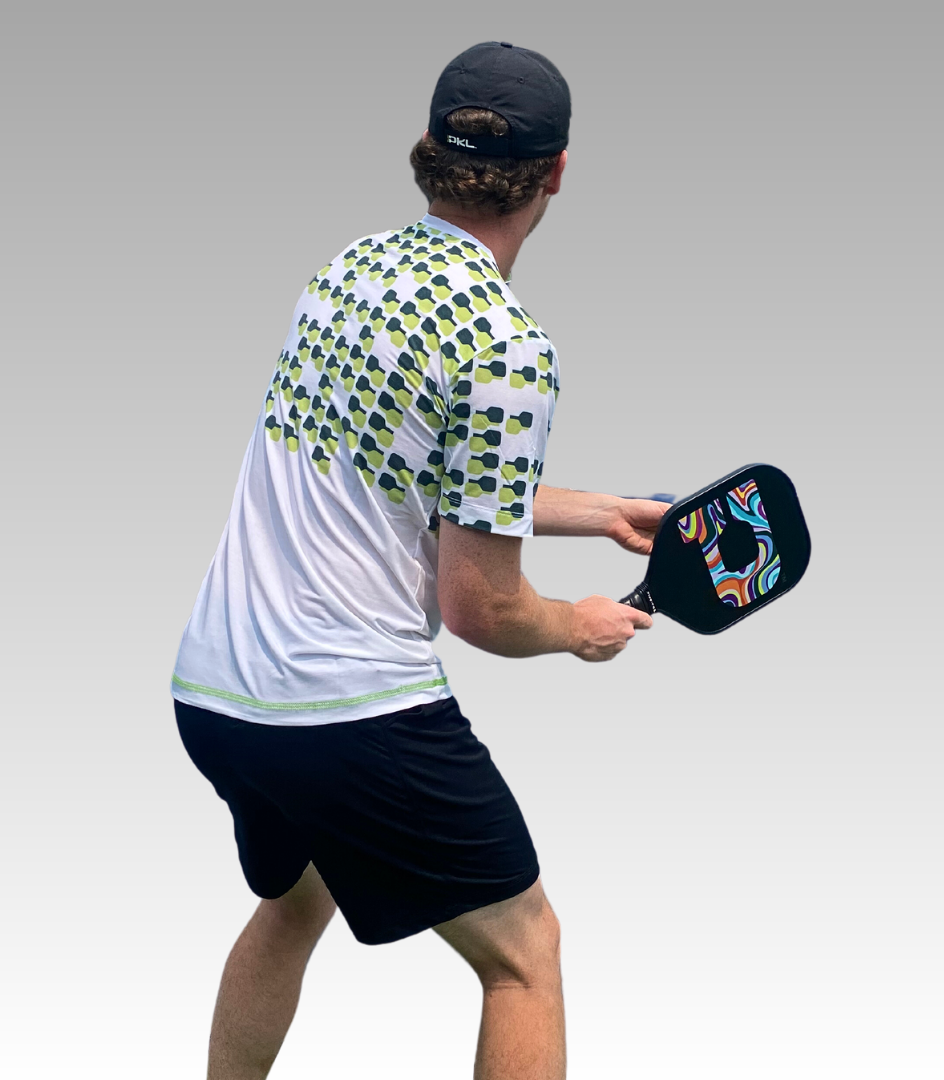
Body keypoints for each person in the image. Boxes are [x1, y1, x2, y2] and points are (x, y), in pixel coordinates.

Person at [172, 41, 666, 1080]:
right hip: (348, 713)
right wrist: (578, 626)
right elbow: (484, 605)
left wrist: (602, 512)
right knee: (523, 955)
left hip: (217, 694)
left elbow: (403, 481)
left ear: (428, 153)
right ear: (557, 172)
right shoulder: (504, 347)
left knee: (295, 901)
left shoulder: (349, 270)